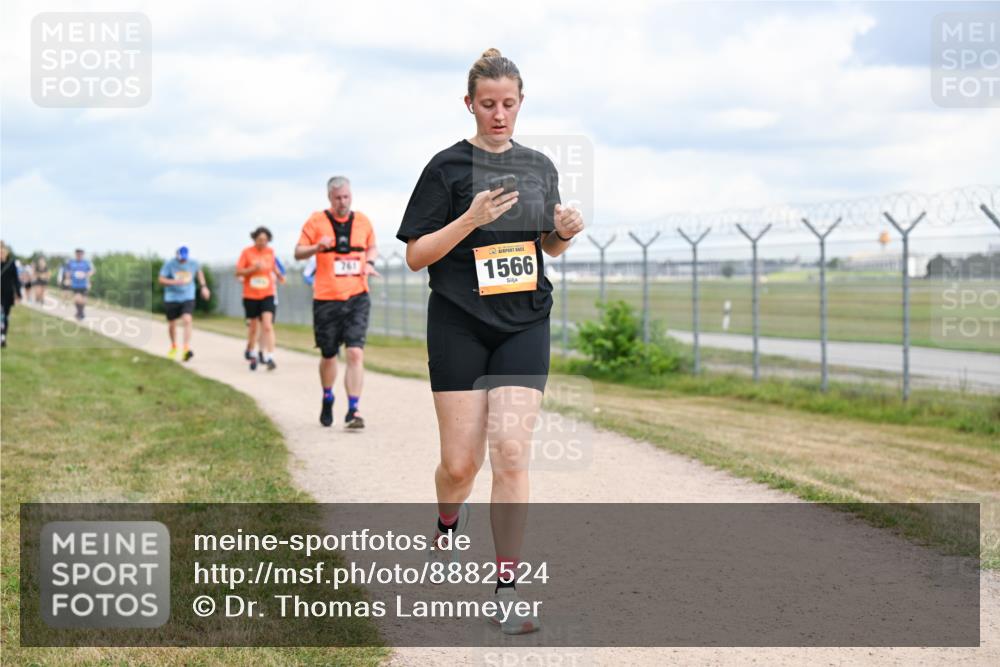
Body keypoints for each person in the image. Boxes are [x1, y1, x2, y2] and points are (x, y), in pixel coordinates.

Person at [396, 48, 584, 635]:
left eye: (508, 104)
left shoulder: (538, 166)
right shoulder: (446, 168)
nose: (498, 114)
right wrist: (469, 219)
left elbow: (546, 247)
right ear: (469, 104)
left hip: (524, 321)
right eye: (487, 104)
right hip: (458, 321)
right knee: (460, 465)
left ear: (521, 102)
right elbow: (416, 256)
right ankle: (448, 522)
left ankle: (506, 587)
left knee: (510, 452)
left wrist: (563, 233)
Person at [294, 176, 379, 428]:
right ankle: (328, 396)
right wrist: (316, 247)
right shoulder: (316, 221)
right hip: (326, 299)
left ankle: (353, 410)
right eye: (338, 198)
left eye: (346, 197)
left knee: (355, 352)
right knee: (329, 355)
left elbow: (372, 247)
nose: (343, 202)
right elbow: (298, 252)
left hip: (357, 296)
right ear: (329, 198)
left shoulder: (363, 220)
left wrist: (369, 263)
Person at [236, 227, 284, 371]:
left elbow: (273, 267)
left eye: (265, 240)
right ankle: (251, 352)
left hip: (267, 293)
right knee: (253, 327)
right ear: (254, 239)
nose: (262, 242)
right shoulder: (247, 252)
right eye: (259, 239)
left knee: (268, 325)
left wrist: (279, 275)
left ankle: (270, 357)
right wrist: (252, 269)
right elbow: (238, 272)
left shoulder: (270, 252)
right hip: (251, 295)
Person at [158, 246, 210, 361]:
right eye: (181, 258)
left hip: (188, 296)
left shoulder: (193, 263)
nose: (183, 260)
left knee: (187, 319)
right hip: (172, 297)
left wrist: (204, 287)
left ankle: (186, 348)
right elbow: (161, 280)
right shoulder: (169, 264)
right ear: (176, 255)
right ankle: (174, 346)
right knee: (172, 323)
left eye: (185, 258)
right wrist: (175, 282)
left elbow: (199, 273)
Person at [1, 242, 23, 348]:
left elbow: (16, 279)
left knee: (5, 315)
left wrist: (18, 293)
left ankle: (3, 336)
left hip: (8, 294)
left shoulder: (11, 263)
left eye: (2, 250)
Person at [64, 248, 94, 320]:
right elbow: (67, 272)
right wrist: (68, 279)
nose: (79, 256)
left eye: (81, 254)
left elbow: (92, 271)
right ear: (75, 254)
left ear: (83, 255)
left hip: (84, 284)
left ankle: (80, 312)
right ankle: (80, 313)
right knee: (77, 299)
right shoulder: (71, 262)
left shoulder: (86, 262)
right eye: (78, 254)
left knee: (83, 301)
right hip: (75, 284)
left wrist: (87, 275)